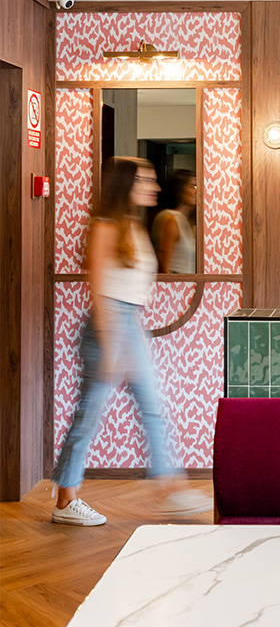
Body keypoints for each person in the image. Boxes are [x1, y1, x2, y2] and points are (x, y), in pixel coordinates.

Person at [52, 157, 211, 526]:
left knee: (152, 407)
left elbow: (132, 291)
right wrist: (112, 346)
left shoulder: (132, 226)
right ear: (127, 184)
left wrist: (134, 332)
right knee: (88, 416)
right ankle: (65, 500)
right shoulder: (105, 225)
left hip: (127, 324)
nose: (155, 187)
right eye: (146, 180)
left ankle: (170, 489)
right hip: (106, 328)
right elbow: (99, 289)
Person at [151, 170, 197, 273]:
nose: (196, 191)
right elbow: (164, 266)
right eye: (192, 186)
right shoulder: (170, 218)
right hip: (176, 281)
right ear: (180, 190)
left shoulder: (189, 221)